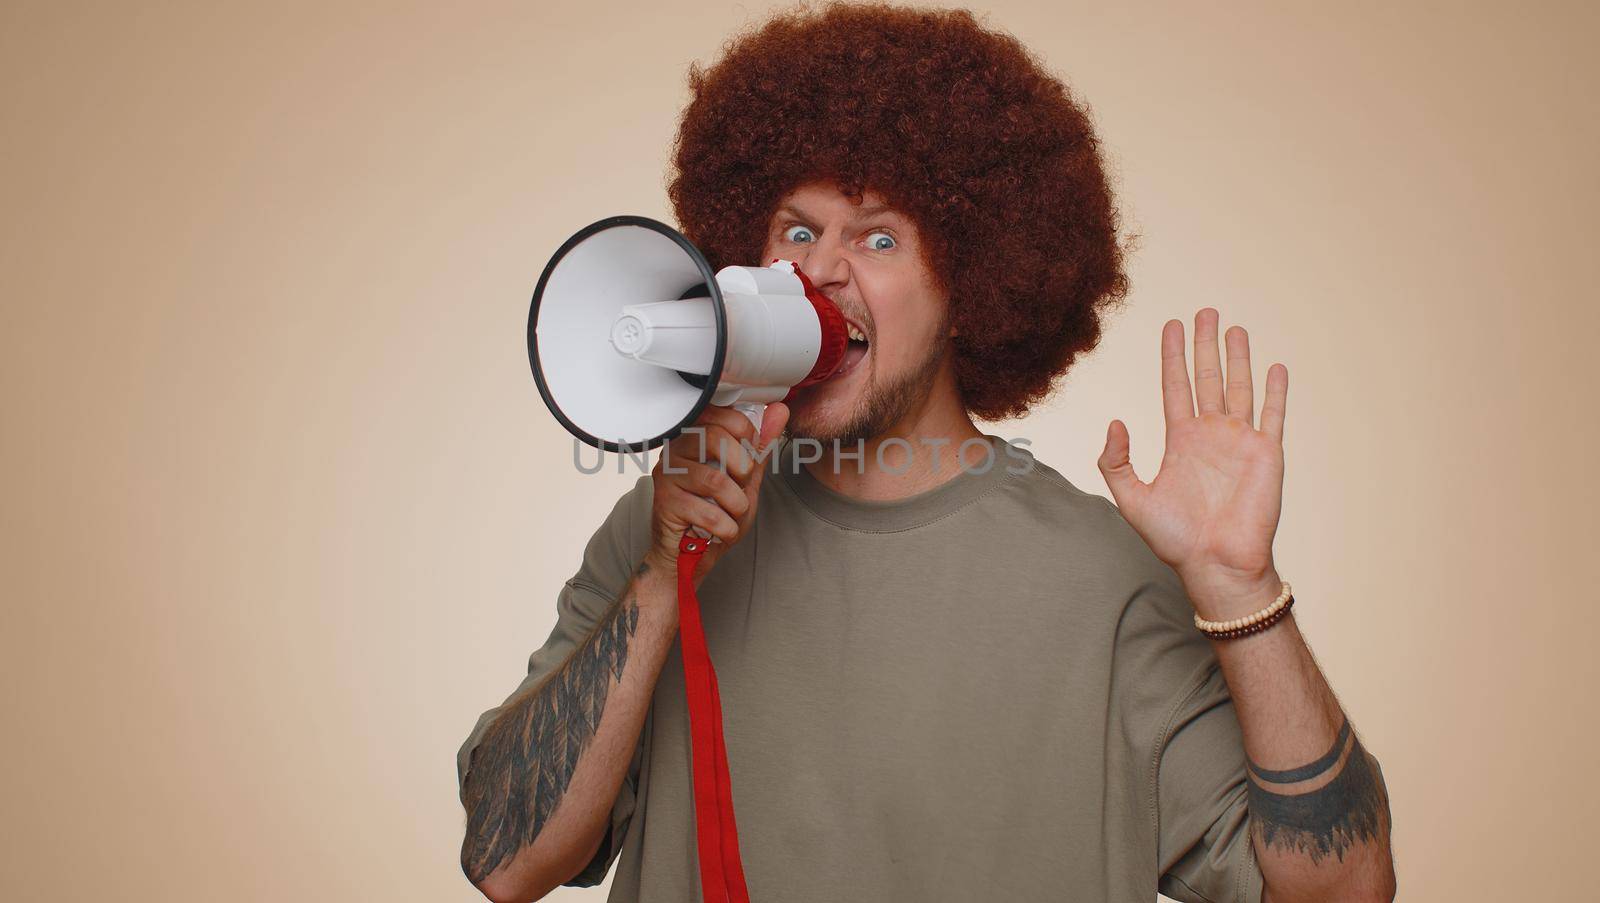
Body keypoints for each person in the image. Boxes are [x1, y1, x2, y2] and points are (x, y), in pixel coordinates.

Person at [456, 3, 1396, 901]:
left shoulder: (1101, 575)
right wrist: (660, 582)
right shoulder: (671, 527)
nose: (817, 271)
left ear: (973, 283)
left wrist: (1242, 593)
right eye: (795, 228)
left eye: (876, 235)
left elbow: (1343, 889)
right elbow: (507, 863)